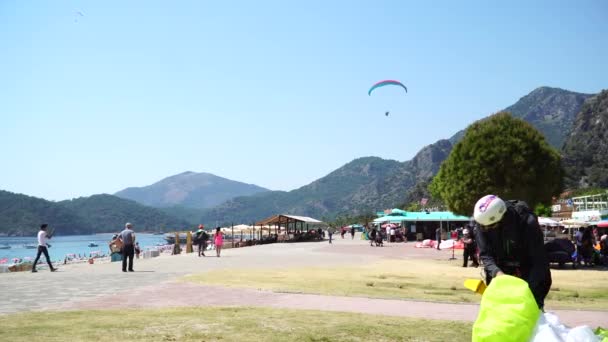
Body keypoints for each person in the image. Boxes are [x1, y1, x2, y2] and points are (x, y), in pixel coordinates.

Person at [474, 194, 551, 309]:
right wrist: (497, 273)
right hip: (501, 274)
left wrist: (526, 290)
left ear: (502, 218)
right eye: (483, 227)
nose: (486, 230)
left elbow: (538, 261)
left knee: (528, 316)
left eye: (490, 227)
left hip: (529, 273)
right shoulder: (483, 223)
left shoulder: (527, 222)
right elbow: (486, 255)